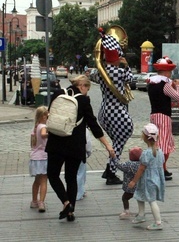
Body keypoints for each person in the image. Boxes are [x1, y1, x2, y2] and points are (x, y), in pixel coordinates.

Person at [46, 75, 116, 222]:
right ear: (82, 85)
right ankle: (71, 211)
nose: (87, 92)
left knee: (53, 175)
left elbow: (50, 114)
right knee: (71, 178)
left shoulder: (58, 94)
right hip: (75, 145)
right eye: (87, 89)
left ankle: (65, 203)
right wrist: (107, 145)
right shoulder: (83, 100)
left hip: (56, 142)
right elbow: (93, 124)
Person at [98, 27, 135, 185]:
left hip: (105, 110)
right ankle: (112, 172)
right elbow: (131, 79)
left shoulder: (102, 70)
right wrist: (125, 66)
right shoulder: (116, 71)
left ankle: (109, 168)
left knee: (116, 143)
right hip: (116, 111)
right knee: (120, 141)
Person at [147, 56, 179, 181]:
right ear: (166, 72)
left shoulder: (151, 83)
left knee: (156, 142)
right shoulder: (165, 84)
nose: (171, 74)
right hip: (164, 116)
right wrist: (177, 86)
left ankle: (163, 168)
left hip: (154, 115)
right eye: (170, 72)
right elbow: (178, 97)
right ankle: (160, 168)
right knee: (165, 144)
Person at [128, 124, 165, 230]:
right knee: (139, 195)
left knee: (152, 201)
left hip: (147, 180)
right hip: (156, 179)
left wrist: (134, 181)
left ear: (144, 137)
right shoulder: (160, 151)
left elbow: (141, 169)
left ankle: (158, 222)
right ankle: (141, 215)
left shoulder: (146, 153)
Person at [29, 106, 49, 213]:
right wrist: (49, 133)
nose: (48, 116)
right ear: (42, 116)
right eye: (46, 115)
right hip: (43, 157)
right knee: (44, 180)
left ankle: (34, 201)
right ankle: (41, 202)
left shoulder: (35, 127)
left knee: (37, 181)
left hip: (35, 157)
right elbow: (43, 134)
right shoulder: (43, 126)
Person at [114, 146, 142, 220]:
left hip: (130, 187)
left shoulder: (128, 164)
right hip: (140, 186)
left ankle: (126, 211)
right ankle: (141, 212)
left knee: (125, 198)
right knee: (140, 200)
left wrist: (114, 158)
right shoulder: (142, 164)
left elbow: (118, 165)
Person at [76, 129, 92, 201]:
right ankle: (79, 193)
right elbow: (88, 143)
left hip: (68, 153)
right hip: (81, 153)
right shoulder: (85, 130)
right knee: (80, 174)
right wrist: (89, 152)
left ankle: (73, 192)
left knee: (71, 174)